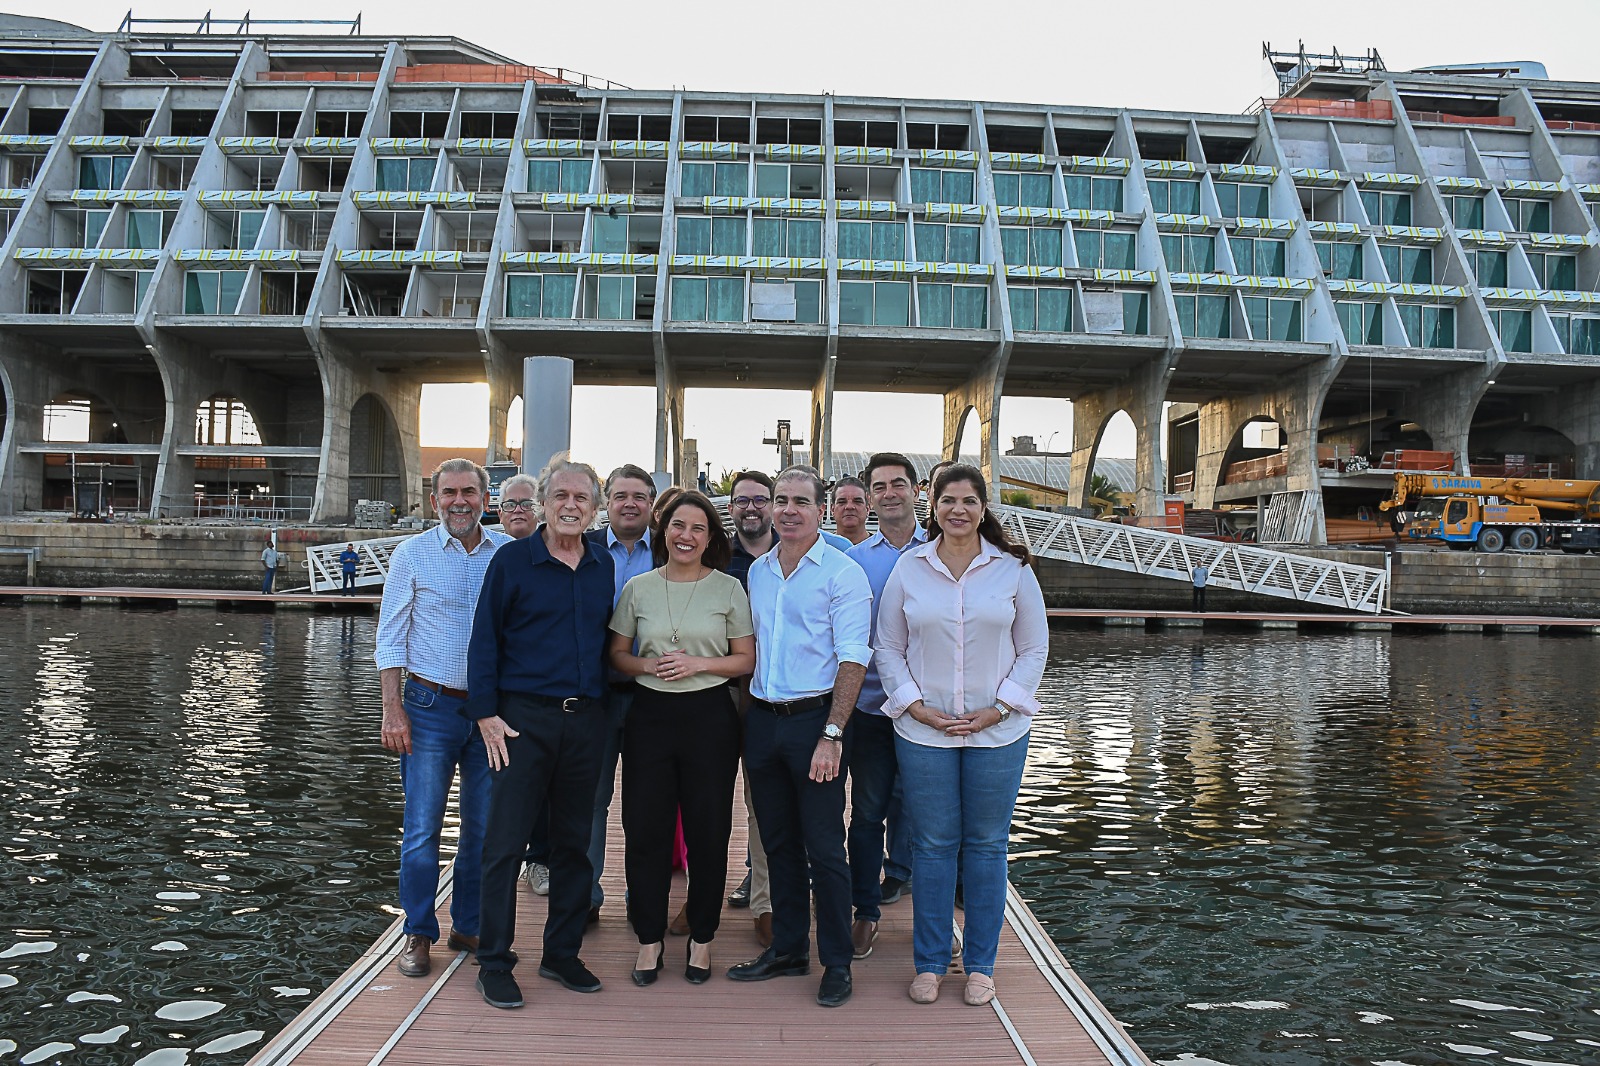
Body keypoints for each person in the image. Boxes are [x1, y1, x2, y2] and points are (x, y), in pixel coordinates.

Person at [874, 463, 1048, 1007]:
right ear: (934, 505)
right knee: (931, 847)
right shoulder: (910, 569)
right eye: (948, 500)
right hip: (925, 733)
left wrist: (998, 710)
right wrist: (916, 708)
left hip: (997, 732)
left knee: (987, 846)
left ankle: (980, 965)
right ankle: (929, 963)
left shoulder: (1013, 570)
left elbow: (1034, 650)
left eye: (969, 501)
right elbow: (888, 648)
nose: (958, 510)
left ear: (983, 507)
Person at [466, 456, 614, 1011]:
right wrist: (485, 714)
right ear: (544, 504)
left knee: (572, 845)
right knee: (504, 845)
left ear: (593, 509)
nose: (571, 505)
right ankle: (496, 961)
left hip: (585, 722)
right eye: (562, 497)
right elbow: (485, 641)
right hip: (520, 722)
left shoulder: (601, 565)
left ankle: (561, 953)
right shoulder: (512, 561)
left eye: (582, 498)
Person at [728, 465, 872, 1009]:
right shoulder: (759, 572)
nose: (787, 509)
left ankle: (836, 961)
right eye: (780, 500)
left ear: (821, 510)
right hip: (763, 721)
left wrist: (833, 733)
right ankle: (788, 948)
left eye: (799, 502)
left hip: (818, 722)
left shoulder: (842, 573)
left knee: (824, 847)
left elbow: (854, 658)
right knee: (777, 841)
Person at [609, 491, 754, 986]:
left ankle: (703, 938)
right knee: (644, 830)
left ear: (710, 536)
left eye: (697, 528)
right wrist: (648, 664)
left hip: (709, 716)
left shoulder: (730, 589)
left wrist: (699, 663)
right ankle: (649, 940)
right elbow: (618, 655)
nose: (686, 536)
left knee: (708, 831)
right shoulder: (638, 588)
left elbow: (745, 660)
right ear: (663, 530)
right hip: (650, 715)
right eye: (677, 526)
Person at [375, 459, 511, 980]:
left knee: (482, 829)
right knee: (421, 829)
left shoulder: (507, 554)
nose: (460, 501)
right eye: (449, 493)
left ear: (485, 498)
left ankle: (469, 923)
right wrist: (393, 709)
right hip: (429, 707)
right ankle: (416, 930)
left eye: (470, 492)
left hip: (490, 712)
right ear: (434, 501)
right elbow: (390, 638)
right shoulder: (411, 555)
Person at [842, 453, 927, 959]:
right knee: (869, 812)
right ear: (870, 497)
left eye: (899, 484)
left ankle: (934, 919)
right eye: (880, 486)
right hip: (873, 708)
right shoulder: (855, 560)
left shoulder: (942, 551)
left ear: (916, 490)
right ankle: (865, 911)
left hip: (930, 712)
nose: (889, 493)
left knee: (932, 816)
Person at [581, 465, 658, 924]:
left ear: (652, 502)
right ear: (605, 502)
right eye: (620, 495)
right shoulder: (582, 548)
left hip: (653, 693)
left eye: (640, 496)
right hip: (595, 693)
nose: (630, 504)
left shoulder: (670, 550)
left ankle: (641, 897)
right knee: (591, 799)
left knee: (647, 802)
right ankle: (586, 897)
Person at [722, 471, 777, 946]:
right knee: (709, 798)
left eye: (762, 499)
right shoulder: (715, 556)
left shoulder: (793, 553)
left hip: (771, 695)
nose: (752, 508)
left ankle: (767, 900)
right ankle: (697, 895)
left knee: (765, 803)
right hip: (721, 691)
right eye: (743, 500)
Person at [830, 476, 871, 546]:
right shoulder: (820, 550)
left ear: (867, 509)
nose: (849, 507)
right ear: (832, 509)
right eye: (842, 502)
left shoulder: (884, 551)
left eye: (857, 501)